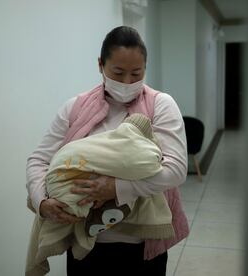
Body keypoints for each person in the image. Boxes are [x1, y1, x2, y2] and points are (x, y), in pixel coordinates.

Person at [26, 26, 189, 276]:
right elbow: (39, 160)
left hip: (142, 247)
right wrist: (42, 202)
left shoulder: (160, 105)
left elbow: (176, 170)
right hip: (85, 247)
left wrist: (116, 188)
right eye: (118, 72)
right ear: (100, 65)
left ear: (146, 67)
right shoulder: (75, 108)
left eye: (136, 73)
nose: (127, 82)